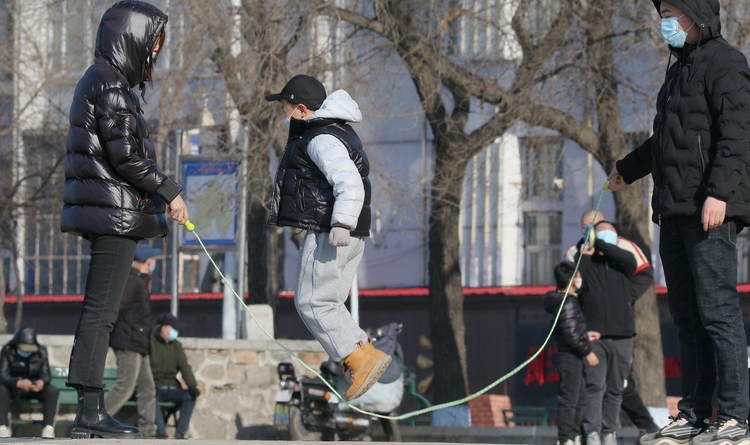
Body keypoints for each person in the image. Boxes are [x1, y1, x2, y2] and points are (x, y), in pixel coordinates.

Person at [607, 1, 750, 444]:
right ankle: (693, 414)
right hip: (674, 211)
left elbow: (738, 131)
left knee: (718, 313)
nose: (665, 21)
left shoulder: (725, 62)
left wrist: (720, 193)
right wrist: (627, 169)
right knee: (687, 319)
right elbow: (666, 140)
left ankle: (735, 417)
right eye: (662, 12)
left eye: (672, 11)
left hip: (709, 210)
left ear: (697, 14)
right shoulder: (676, 73)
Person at [60, 0, 188, 439]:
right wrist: (169, 190)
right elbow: (125, 156)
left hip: (108, 211)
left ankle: (91, 411)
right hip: (114, 216)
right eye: (153, 45)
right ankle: (90, 414)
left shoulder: (101, 81)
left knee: (100, 312)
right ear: (132, 40)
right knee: (101, 314)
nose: (155, 54)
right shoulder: (111, 85)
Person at [265, 75, 391, 400]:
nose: (284, 115)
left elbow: (350, 182)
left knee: (310, 300)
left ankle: (356, 359)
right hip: (351, 231)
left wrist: (340, 223)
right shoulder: (338, 131)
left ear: (303, 110)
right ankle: (366, 351)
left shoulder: (320, 138)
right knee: (330, 301)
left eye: (285, 108)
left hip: (331, 229)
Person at [565, 210, 658, 436]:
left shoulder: (625, 247)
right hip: (591, 329)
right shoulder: (577, 251)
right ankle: (583, 432)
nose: (587, 231)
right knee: (590, 385)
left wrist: (626, 297)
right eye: (584, 227)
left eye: (592, 226)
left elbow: (644, 273)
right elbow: (571, 283)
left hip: (619, 327)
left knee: (619, 386)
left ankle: (643, 426)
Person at [576, 221, 638, 445]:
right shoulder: (587, 262)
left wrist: (601, 240)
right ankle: (592, 432)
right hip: (595, 338)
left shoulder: (624, 262)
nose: (607, 240)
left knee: (615, 389)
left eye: (611, 235)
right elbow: (577, 282)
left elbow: (624, 257)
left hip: (622, 338)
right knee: (595, 387)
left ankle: (609, 432)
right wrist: (587, 250)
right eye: (602, 235)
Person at [103, 243, 162, 438]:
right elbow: (118, 307)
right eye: (153, 259)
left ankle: (147, 431)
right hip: (128, 342)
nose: (155, 263)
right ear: (148, 261)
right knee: (125, 386)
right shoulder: (133, 281)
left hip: (138, 342)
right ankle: (94, 419)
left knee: (147, 388)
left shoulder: (140, 281)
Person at [543, 262, 599, 445]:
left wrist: (585, 335)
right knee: (570, 399)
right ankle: (566, 437)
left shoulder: (567, 301)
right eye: (578, 276)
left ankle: (574, 435)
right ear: (573, 280)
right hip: (570, 357)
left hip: (573, 355)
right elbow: (570, 335)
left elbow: (572, 329)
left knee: (579, 398)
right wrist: (587, 351)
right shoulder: (567, 302)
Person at [0, 327, 58, 439]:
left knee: (52, 391)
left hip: (34, 388)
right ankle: (3, 426)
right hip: (14, 388)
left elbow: (46, 374)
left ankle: (48, 427)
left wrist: (42, 382)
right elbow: (2, 375)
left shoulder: (41, 352)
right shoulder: (8, 351)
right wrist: (18, 383)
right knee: (1, 390)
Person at [150, 313, 199, 440]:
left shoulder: (176, 346)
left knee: (189, 397)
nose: (176, 331)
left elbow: (184, 367)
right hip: (155, 387)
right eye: (173, 328)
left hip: (172, 386)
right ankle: (161, 432)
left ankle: (181, 432)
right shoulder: (150, 343)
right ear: (164, 328)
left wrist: (192, 385)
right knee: (150, 397)